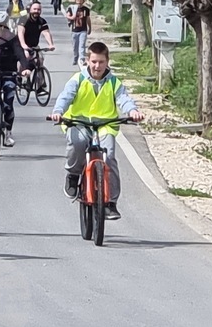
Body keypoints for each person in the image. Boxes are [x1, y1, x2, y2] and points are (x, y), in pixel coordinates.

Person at [50, 41, 143, 220]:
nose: (97, 66)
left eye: (101, 62)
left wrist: (133, 111)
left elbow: (124, 99)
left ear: (107, 62)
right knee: (77, 143)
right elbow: (65, 97)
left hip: (105, 124)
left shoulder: (114, 82)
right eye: (93, 61)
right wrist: (58, 112)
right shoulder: (78, 79)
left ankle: (110, 203)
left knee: (109, 158)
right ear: (87, 61)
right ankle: (73, 174)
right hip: (78, 122)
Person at [0, 11, 32, 148]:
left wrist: (26, 68)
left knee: (8, 101)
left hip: (9, 73)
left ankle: (8, 132)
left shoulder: (12, 39)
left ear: (2, 27)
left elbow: (20, 54)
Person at [65, 0, 92, 67]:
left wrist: (90, 27)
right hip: (74, 30)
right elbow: (67, 15)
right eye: (78, 1)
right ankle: (75, 57)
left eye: (80, 1)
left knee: (82, 45)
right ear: (75, 1)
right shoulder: (72, 8)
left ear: (83, 1)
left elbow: (88, 19)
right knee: (75, 46)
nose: (79, 2)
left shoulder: (86, 9)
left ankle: (82, 59)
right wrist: (72, 17)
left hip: (83, 30)